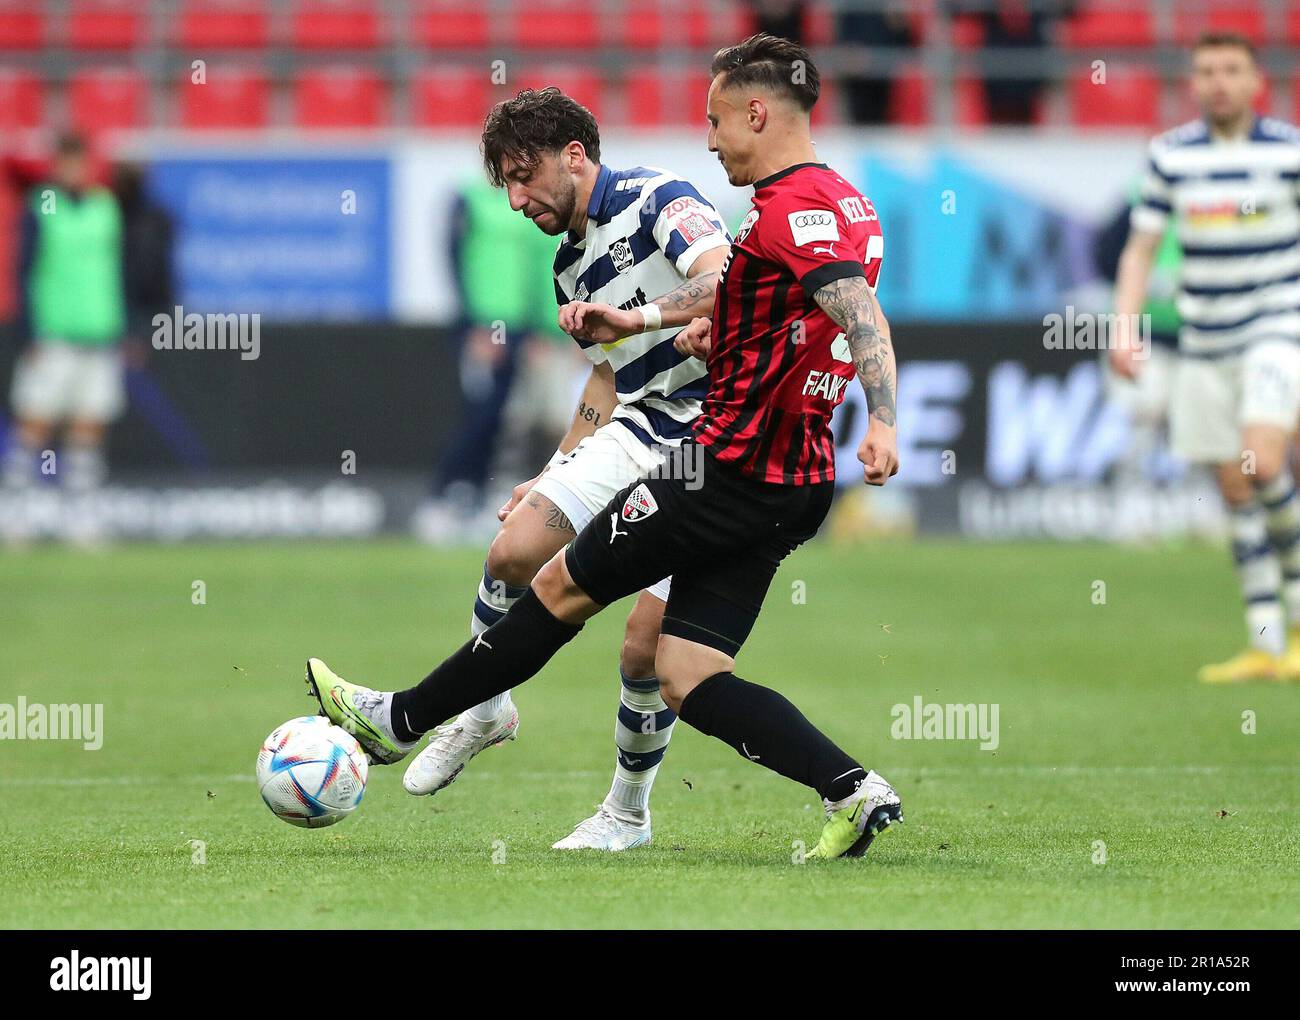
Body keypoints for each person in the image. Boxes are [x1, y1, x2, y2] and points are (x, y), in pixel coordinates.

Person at [307, 34, 904, 861]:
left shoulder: (767, 208)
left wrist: (883, 416)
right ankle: (857, 790)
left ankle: (402, 717)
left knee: (561, 591)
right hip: (793, 481)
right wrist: (656, 328)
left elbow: (857, 312)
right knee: (686, 673)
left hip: (716, 463)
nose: (707, 139)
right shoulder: (848, 201)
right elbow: (769, 316)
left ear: (757, 113)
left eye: (716, 120)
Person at [404, 87, 733, 851]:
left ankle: (626, 813)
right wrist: (558, 465)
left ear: (575, 156)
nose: (517, 200)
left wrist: (645, 317)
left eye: (525, 177)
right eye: (506, 186)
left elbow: (728, 281)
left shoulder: (659, 199)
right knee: (513, 548)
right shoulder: (568, 264)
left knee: (644, 649)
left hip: (714, 439)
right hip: (640, 423)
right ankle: (487, 710)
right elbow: (608, 375)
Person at [1110, 33, 1300, 683]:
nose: (1218, 81)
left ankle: (1298, 620)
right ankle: (1267, 642)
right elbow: (1140, 249)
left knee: (1264, 458)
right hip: (1204, 338)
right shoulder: (1170, 156)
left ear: (1256, 82)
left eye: (1231, 70)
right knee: (1233, 486)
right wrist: (1124, 326)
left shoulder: (1289, 151)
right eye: (1207, 71)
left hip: (1276, 327)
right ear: (1194, 83)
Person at [5, 133, 126, 500]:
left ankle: (80, 508)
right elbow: (24, 270)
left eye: (80, 161)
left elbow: (120, 269)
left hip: (99, 331)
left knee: (88, 421)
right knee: (37, 418)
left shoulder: (104, 206)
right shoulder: (45, 205)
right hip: (54, 331)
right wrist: (28, 332)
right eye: (67, 162)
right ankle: (21, 505)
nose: (74, 170)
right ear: (57, 165)